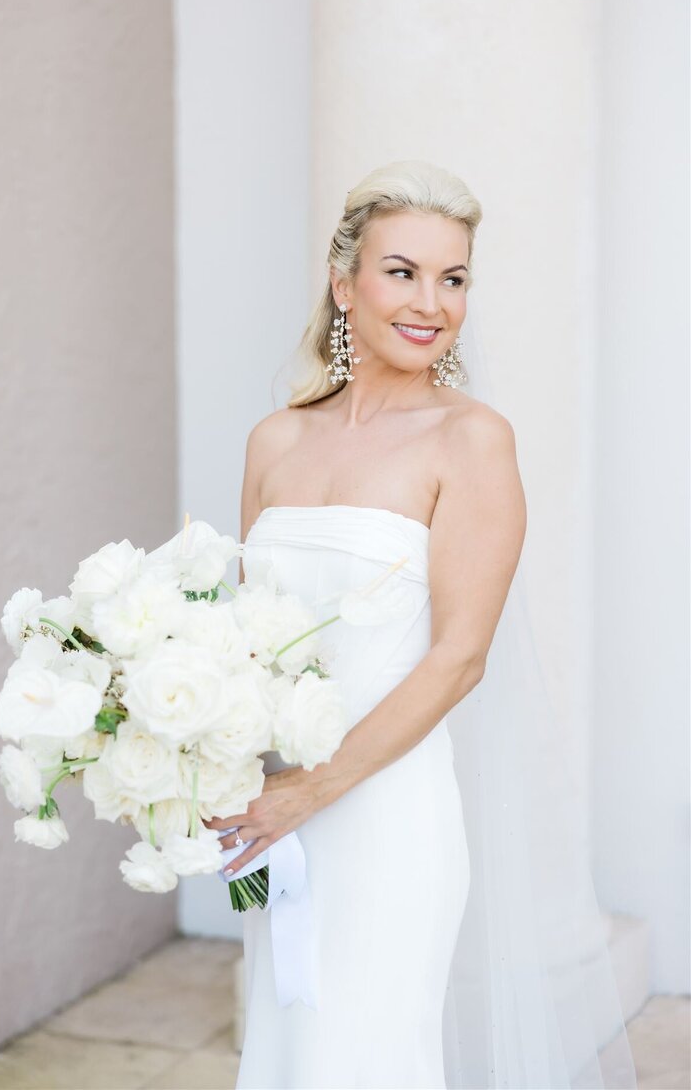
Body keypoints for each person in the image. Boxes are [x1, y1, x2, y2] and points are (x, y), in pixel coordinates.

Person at [206, 160, 638, 1089]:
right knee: (288, 1054)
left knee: (369, 1056)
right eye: (402, 271)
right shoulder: (275, 439)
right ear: (343, 281)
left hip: (385, 815)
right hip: (276, 818)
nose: (431, 301)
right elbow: (249, 638)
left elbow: (458, 658)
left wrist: (308, 793)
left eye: (454, 278)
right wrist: (214, 763)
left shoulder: (471, 440)